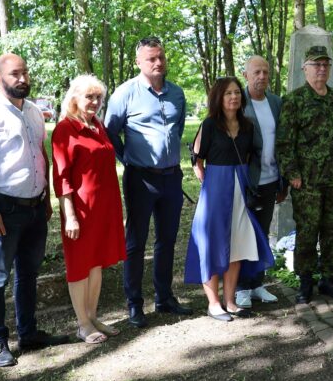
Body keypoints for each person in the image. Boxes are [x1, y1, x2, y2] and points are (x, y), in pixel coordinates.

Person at [0, 53, 70, 368]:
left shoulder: (36, 112)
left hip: (36, 206)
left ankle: (29, 333)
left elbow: (40, 154)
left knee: (29, 274)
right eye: (15, 73)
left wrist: (48, 198)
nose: (23, 78)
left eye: (25, 72)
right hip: (5, 208)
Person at [105, 37, 192, 327]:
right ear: (138, 62)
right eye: (151, 58)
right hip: (140, 178)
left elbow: (177, 130)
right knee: (136, 242)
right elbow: (110, 133)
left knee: (167, 240)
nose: (158, 63)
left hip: (171, 178)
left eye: (161, 57)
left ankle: (164, 297)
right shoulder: (125, 94)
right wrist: (128, 158)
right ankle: (134, 304)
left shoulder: (176, 94)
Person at [185, 77, 275, 321]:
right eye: (228, 94)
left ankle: (230, 301)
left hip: (240, 189)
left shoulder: (247, 126)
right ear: (219, 98)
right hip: (215, 191)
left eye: (236, 92)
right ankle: (213, 303)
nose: (234, 97)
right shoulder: (210, 125)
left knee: (237, 244)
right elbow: (196, 158)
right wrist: (208, 184)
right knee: (212, 244)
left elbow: (250, 157)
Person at [277, 45, 333, 304]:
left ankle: (329, 279)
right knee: (307, 231)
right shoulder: (294, 101)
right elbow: (284, 143)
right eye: (316, 64)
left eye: (325, 64)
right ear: (305, 69)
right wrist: (291, 173)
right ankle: (305, 282)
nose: (322, 69)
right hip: (308, 181)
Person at [51, 74, 126, 343]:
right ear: (75, 98)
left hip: (105, 207)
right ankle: (82, 324)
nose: (94, 102)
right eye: (89, 97)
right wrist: (69, 215)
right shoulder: (65, 130)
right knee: (80, 265)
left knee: (97, 264)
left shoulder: (97, 126)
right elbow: (61, 177)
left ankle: (93, 316)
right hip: (80, 210)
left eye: (98, 97)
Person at [234, 55, 285, 309]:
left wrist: (282, 182)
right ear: (246, 75)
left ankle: (257, 284)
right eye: (257, 72)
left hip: (271, 179)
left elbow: (283, 142)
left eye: (265, 72)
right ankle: (241, 287)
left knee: (262, 234)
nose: (262, 77)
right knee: (245, 233)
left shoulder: (276, 102)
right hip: (246, 180)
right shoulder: (238, 103)